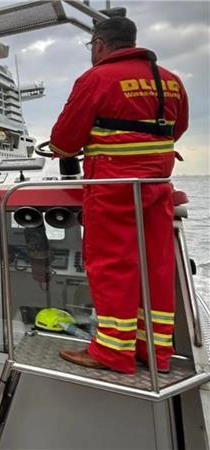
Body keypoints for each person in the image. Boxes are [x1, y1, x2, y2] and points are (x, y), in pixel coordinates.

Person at [51, 17, 189, 374]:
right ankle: (155, 352)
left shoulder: (97, 78)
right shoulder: (170, 81)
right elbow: (178, 127)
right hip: (156, 189)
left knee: (112, 266)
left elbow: (64, 141)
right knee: (154, 267)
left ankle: (112, 352)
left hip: (112, 189)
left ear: (99, 45)